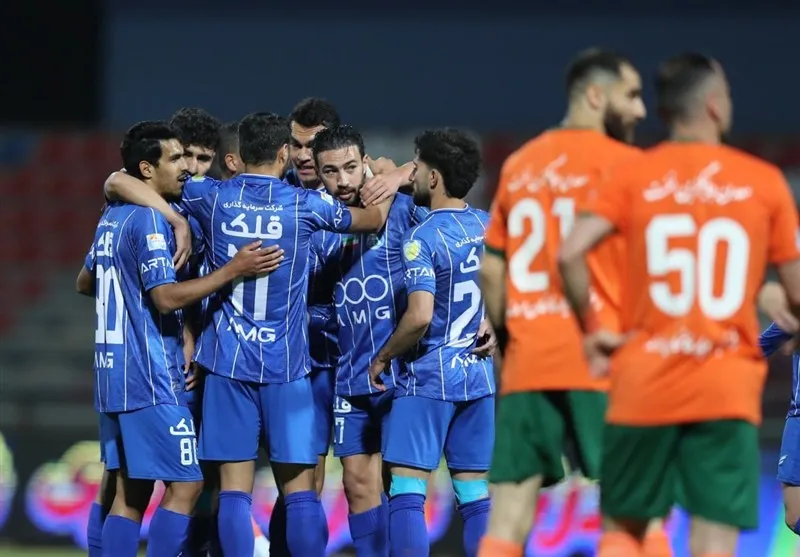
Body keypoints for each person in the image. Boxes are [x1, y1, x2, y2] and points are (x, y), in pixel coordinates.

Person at [558, 52, 800, 557]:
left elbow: (570, 252)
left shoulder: (631, 175)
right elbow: (797, 294)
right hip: (723, 386)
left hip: (645, 379)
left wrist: (593, 329)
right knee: (713, 539)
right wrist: (775, 301)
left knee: (626, 528)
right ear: (713, 105)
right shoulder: (762, 182)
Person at [475, 48, 673, 557]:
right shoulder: (629, 166)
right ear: (596, 95)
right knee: (634, 511)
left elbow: (491, 269)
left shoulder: (520, 165)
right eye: (631, 95)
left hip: (531, 361)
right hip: (603, 359)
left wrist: (512, 340)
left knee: (509, 514)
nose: (641, 110)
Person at [75, 121, 278, 557]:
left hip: (113, 373)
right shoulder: (151, 218)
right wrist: (233, 270)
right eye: (177, 158)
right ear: (147, 169)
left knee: (130, 491)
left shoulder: (112, 216)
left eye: (197, 158)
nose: (187, 168)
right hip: (150, 374)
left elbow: (84, 281)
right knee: (187, 485)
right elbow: (166, 298)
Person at [369, 128, 496, 557]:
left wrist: (384, 356)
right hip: (478, 378)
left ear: (435, 178)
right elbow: (512, 291)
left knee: (407, 489)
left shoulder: (422, 238)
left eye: (419, 168)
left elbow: (420, 316)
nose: (413, 175)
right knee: (474, 495)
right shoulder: (488, 226)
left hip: (428, 378)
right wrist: (496, 322)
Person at [306, 124, 432, 556]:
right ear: (318, 173)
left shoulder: (403, 205)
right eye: (330, 171)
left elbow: (441, 173)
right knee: (357, 483)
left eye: (350, 167)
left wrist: (397, 174)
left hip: (402, 371)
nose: (342, 180)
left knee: (403, 486)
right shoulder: (316, 220)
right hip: (350, 373)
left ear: (364, 162)